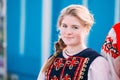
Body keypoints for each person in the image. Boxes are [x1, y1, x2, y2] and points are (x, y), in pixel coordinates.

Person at [37, 4, 110, 80]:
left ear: (87, 30)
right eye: (64, 26)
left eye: (75, 27)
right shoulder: (52, 59)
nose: (68, 32)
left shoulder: (97, 62)